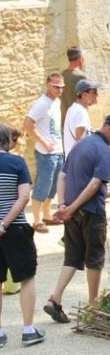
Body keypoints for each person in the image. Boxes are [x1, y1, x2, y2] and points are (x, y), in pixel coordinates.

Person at [43, 115, 110, 324]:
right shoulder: (103, 151)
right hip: (92, 213)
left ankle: (54, 298)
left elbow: (62, 176)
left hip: (71, 214)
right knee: (94, 258)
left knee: (72, 257)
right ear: (109, 129)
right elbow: (94, 185)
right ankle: (94, 306)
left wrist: (63, 206)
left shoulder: (80, 145)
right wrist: (71, 207)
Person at [0, 125, 46, 346]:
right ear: (7, 142)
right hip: (15, 229)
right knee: (27, 278)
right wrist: (3, 224)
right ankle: (28, 330)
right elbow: (24, 197)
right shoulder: (17, 163)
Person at [23, 73, 65, 233]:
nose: (59, 90)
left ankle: (47, 215)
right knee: (42, 185)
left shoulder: (57, 101)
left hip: (58, 150)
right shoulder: (41, 103)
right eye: (56, 86)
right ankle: (37, 220)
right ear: (48, 85)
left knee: (54, 185)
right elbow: (27, 124)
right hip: (45, 153)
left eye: (62, 87)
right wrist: (44, 142)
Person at [63, 79, 99, 158]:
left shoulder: (73, 108)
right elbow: (80, 141)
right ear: (84, 95)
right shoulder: (81, 112)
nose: (97, 95)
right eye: (94, 93)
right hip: (79, 162)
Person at [60, 46, 86, 124]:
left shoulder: (61, 76)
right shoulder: (82, 77)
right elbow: (87, 101)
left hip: (64, 123)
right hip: (78, 122)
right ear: (80, 58)